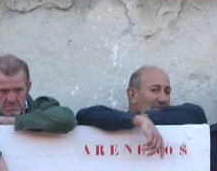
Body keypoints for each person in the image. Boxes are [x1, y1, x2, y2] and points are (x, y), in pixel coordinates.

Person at [76, 65, 207, 156]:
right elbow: (84, 115)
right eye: (155, 90)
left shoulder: (177, 117)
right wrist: (136, 120)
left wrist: (148, 118)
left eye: (167, 92)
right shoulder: (117, 119)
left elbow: (196, 114)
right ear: (133, 95)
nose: (163, 98)